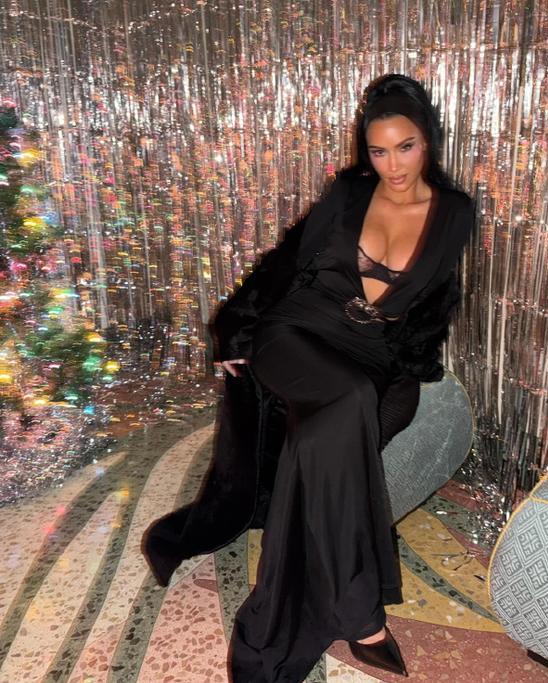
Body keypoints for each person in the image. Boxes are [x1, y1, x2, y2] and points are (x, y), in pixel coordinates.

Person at [142, 73, 475, 682]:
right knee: (348, 400)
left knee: (331, 429)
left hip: (370, 348)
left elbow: (437, 300)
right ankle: (362, 617)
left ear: (427, 141)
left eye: (405, 147)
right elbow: (284, 261)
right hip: (295, 330)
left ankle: (342, 601)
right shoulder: (349, 193)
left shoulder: (455, 213)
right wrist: (234, 327)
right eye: (379, 150)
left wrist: (410, 368)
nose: (393, 165)